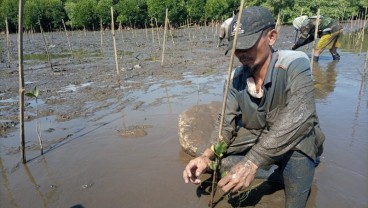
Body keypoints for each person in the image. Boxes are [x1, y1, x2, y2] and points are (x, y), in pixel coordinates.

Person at [182, 6, 325, 208]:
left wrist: (251, 162)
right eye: (236, 48)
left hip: (296, 144)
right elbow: (226, 125)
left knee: (301, 141)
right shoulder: (236, 78)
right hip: (259, 138)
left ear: (272, 37)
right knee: (218, 161)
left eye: (246, 45)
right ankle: (274, 174)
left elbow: (301, 117)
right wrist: (205, 157)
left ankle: (294, 172)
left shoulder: (294, 63)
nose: (240, 53)